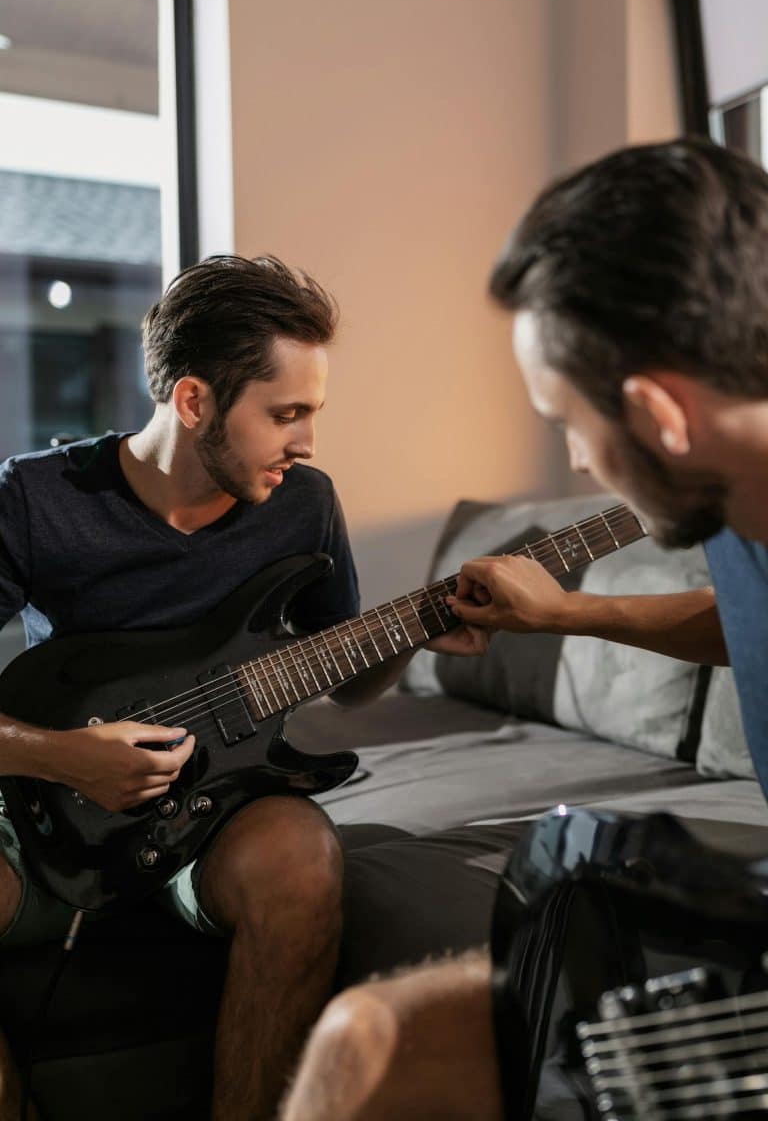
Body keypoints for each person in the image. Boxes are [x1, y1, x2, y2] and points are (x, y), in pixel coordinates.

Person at [277, 136, 768, 1121]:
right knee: (366, 1045)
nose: (581, 465)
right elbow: (745, 625)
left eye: (569, 424)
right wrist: (564, 612)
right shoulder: (738, 500)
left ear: (660, 414)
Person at [0, 253, 484, 1121]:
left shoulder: (303, 503)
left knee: (302, 855)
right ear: (194, 402)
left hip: (217, 813)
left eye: (313, 413)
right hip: (47, 814)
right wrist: (66, 758)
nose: (306, 442)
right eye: (286, 413)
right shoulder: (36, 498)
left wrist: (418, 633)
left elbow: (346, 674)